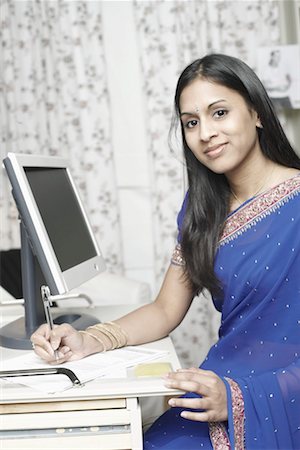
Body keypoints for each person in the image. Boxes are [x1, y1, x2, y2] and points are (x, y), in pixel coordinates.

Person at [31, 53, 300, 449]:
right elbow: (164, 309)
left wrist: (239, 399)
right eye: (192, 122)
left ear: (257, 113)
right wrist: (90, 339)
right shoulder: (202, 207)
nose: (206, 133)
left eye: (219, 112)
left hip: (282, 392)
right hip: (218, 380)